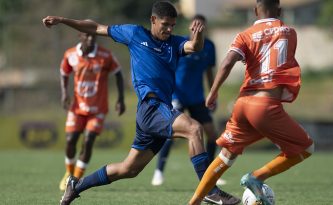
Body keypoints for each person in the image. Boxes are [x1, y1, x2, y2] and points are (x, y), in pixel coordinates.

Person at [42, 1, 240, 205]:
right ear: (153, 20)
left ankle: (77, 185)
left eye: (173, 25)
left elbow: (194, 46)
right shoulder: (135, 34)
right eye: (165, 24)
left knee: (129, 169)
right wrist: (63, 20)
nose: (169, 29)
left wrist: (197, 35)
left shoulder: (174, 43)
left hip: (159, 110)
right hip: (151, 107)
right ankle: (210, 190)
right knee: (195, 129)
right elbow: (95, 27)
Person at [188, 0, 315, 204]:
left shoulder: (243, 35)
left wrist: (212, 92)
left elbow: (228, 62)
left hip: (243, 104)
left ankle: (193, 202)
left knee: (226, 156)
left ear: (255, 10)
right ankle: (257, 177)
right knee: (306, 148)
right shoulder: (289, 32)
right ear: (280, 10)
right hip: (266, 106)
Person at [151, 14, 226, 187]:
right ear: (190, 27)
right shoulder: (180, 44)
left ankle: (210, 173)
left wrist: (212, 93)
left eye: (202, 26)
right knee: (171, 134)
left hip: (197, 96)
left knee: (212, 134)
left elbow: (208, 71)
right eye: (195, 25)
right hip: (178, 95)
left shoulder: (209, 46)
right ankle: (159, 172)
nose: (198, 29)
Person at [58, 32, 126, 191]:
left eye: (93, 36)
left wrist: (121, 99)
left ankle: (76, 178)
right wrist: (64, 93)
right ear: (80, 36)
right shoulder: (70, 54)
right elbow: (63, 73)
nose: (90, 39)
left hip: (98, 109)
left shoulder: (105, 55)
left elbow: (119, 74)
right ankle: (69, 173)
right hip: (77, 107)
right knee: (70, 140)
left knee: (88, 141)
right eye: (87, 36)